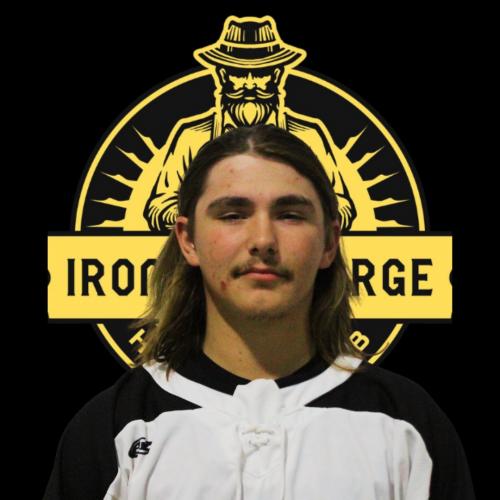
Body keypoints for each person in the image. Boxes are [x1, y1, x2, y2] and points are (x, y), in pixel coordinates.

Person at [43, 124, 475, 499]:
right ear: (188, 240)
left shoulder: (406, 424)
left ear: (329, 242)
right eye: (233, 214)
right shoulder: (114, 427)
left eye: (290, 215)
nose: (263, 240)